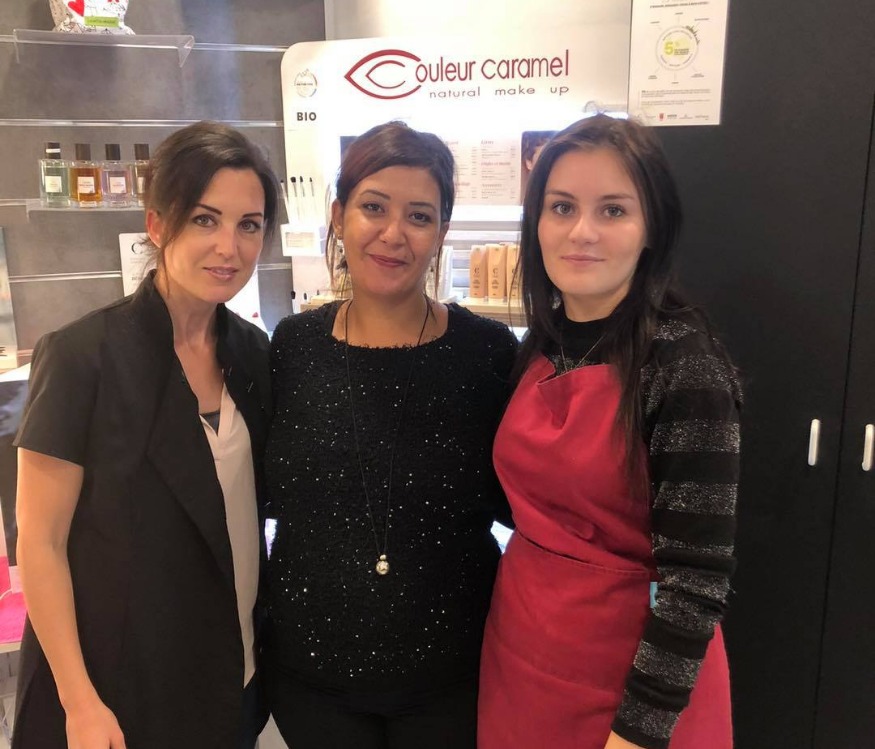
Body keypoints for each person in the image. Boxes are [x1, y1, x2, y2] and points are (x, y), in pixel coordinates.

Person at [13, 121, 279, 749]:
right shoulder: (82, 357)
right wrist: (79, 702)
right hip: (120, 690)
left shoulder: (253, 353)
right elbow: (41, 544)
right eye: (205, 219)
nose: (229, 247)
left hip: (233, 672)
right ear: (157, 225)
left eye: (249, 225)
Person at [478, 114, 741, 749]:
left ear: (652, 229)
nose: (582, 231)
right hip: (522, 661)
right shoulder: (542, 343)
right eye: (562, 206)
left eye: (613, 210)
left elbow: (696, 583)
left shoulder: (684, 365)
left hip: (633, 691)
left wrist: (637, 734)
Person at [265, 121, 517, 749]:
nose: (393, 233)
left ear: (443, 232)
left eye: (419, 216)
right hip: (311, 678)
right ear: (338, 215)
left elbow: (521, 500)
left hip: (454, 678)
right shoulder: (293, 346)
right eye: (373, 207)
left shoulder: (487, 353)